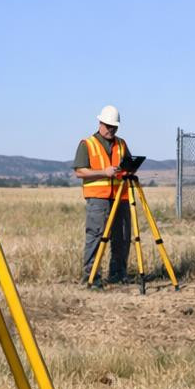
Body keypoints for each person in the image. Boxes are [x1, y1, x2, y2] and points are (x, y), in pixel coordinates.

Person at [73, 105, 133, 284]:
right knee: (96, 236)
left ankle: (118, 275)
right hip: (98, 198)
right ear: (100, 123)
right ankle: (92, 277)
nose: (111, 129)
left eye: (114, 126)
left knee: (122, 236)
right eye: (108, 126)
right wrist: (103, 172)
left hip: (120, 197)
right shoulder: (87, 144)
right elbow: (80, 172)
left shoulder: (122, 144)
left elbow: (127, 165)